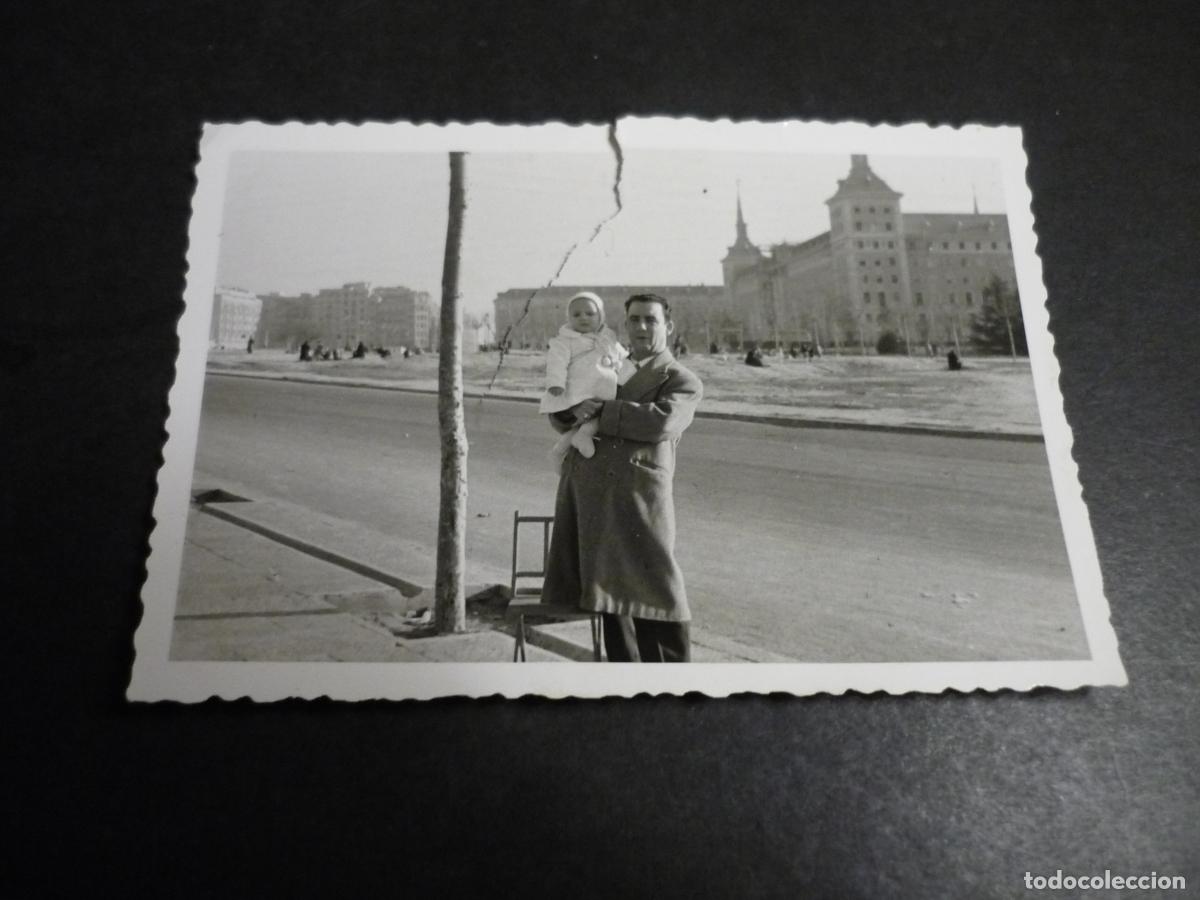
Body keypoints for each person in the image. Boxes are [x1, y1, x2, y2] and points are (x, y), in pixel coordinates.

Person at [542, 293, 703, 663]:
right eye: (634, 320)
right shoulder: (608, 365)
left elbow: (662, 420)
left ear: (668, 327)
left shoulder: (680, 379)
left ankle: (672, 690)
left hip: (639, 498)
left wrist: (605, 410)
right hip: (593, 496)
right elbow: (563, 408)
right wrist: (571, 410)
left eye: (651, 320)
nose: (641, 327)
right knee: (611, 598)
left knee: (657, 589)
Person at [538, 291, 632, 469]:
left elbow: (622, 357)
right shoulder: (565, 341)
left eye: (590, 314)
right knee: (589, 415)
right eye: (576, 314)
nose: (583, 318)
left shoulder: (608, 338)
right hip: (579, 390)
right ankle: (567, 447)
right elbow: (557, 362)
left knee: (596, 416)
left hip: (601, 389)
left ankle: (562, 449)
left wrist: (631, 370)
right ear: (569, 318)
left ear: (600, 316)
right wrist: (555, 383)